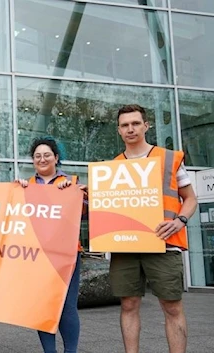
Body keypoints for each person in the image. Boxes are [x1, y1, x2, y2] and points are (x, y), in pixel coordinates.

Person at [110, 104, 197, 353]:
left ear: (146, 126)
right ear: (118, 130)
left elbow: (190, 198)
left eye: (136, 123)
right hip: (126, 244)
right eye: (125, 125)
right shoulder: (112, 167)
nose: (130, 129)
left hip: (164, 243)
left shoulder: (169, 158)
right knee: (128, 304)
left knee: (172, 306)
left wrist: (180, 221)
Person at [15, 137, 87, 353]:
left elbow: (85, 214)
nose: (42, 159)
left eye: (47, 155)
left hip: (67, 256)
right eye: (37, 156)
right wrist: (16, 192)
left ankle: (70, 351)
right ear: (33, 161)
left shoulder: (71, 183)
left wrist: (79, 194)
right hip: (37, 256)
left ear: (56, 158)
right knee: (43, 306)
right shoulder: (26, 186)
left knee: (67, 308)